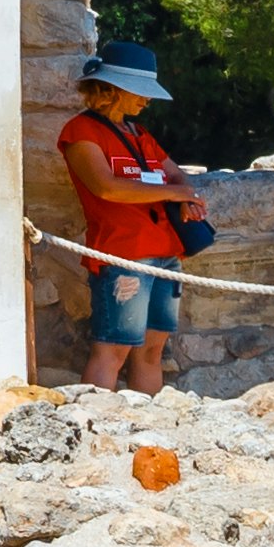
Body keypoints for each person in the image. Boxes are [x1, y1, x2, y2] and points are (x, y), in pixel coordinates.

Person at [62, 49, 204, 395]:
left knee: (152, 351)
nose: (146, 100)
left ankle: (146, 431)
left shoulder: (138, 133)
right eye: (139, 90)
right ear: (112, 89)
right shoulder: (80, 132)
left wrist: (184, 195)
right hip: (123, 253)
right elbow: (106, 188)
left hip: (166, 253)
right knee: (113, 350)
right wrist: (174, 194)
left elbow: (176, 176)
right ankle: (97, 429)